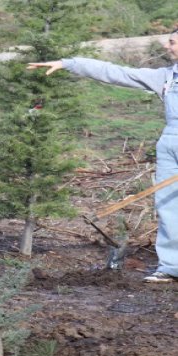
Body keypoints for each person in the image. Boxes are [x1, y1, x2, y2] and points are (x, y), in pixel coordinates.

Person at [28, 31, 178, 284]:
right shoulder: (165, 77)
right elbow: (116, 72)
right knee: (168, 207)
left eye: (173, 41)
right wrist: (69, 64)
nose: (167, 45)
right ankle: (172, 267)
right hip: (169, 145)